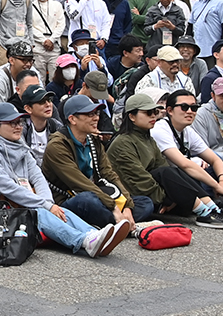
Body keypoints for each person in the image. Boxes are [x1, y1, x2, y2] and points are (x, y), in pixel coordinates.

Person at [0, 102, 128, 259]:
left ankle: (94, 234)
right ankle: (84, 241)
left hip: (19, 201)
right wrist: (46, 206)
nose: (18, 126)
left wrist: (48, 203)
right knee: (40, 212)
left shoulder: (20, 146)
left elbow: (38, 177)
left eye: (19, 122)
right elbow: (9, 189)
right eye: (11, 123)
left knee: (57, 211)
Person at [108, 91, 223, 225]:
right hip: (131, 193)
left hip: (151, 187)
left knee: (174, 171)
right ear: (132, 116)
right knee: (165, 179)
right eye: (148, 113)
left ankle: (212, 209)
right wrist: (169, 198)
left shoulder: (147, 137)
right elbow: (137, 180)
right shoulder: (123, 143)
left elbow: (162, 165)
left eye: (155, 112)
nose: (153, 116)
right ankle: (204, 213)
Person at [41, 94, 149, 230]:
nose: (96, 118)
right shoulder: (57, 145)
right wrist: (113, 206)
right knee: (87, 200)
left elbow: (108, 173)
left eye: (96, 113)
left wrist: (126, 205)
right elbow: (80, 183)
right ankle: (121, 223)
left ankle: (115, 224)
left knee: (146, 203)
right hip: (69, 199)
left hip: (99, 195)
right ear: (72, 119)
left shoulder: (93, 139)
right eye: (89, 114)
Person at [149, 89, 223, 223]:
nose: (190, 111)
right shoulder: (160, 129)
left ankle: (212, 206)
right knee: (185, 170)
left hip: (181, 180)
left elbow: (215, 159)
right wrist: (216, 186)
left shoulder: (187, 131)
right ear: (169, 110)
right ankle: (207, 212)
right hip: (162, 182)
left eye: (194, 107)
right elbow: (184, 164)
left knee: (210, 172)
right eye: (184, 107)